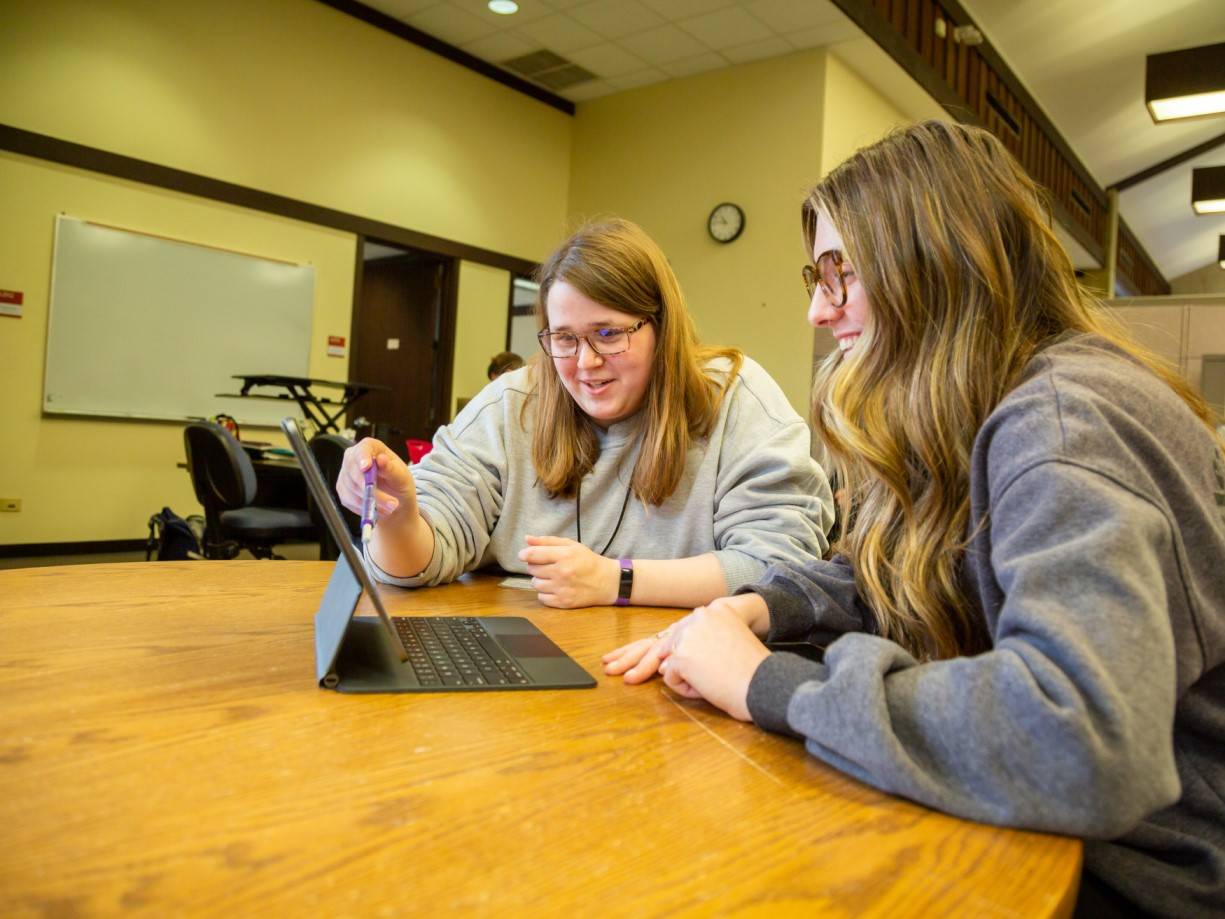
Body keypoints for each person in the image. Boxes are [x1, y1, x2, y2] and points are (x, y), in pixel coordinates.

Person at [603, 122, 1225, 916]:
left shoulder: (1067, 422)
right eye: (815, 276)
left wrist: (765, 681)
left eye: (841, 275)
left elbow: (1083, 739)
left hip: (1149, 877)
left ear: (934, 265)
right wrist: (763, 607)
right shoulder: (993, 404)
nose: (816, 312)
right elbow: (914, 564)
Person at [337, 218, 834, 609]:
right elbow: (413, 563)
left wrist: (614, 580)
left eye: (609, 333)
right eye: (565, 338)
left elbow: (781, 566)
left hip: (675, 672)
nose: (585, 363)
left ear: (662, 327)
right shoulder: (511, 405)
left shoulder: (735, 400)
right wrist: (398, 514)